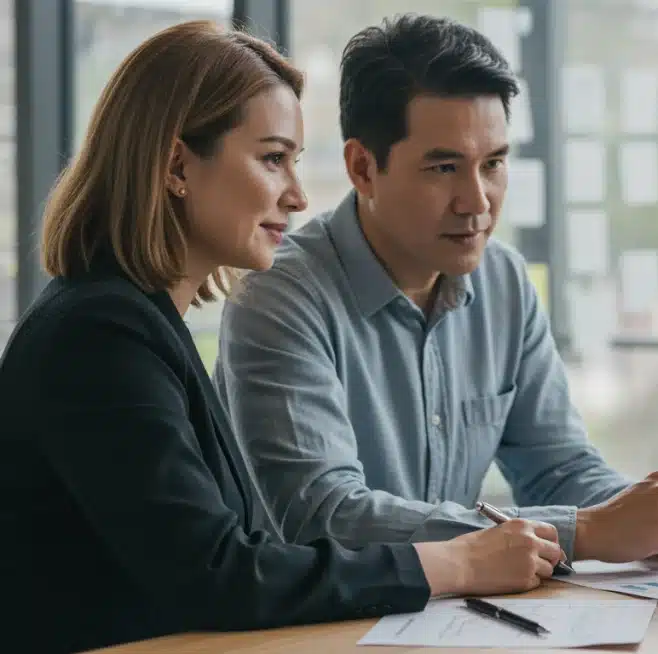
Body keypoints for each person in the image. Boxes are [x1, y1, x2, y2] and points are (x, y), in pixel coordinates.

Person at [0, 21, 567, 654]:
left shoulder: (140, 321)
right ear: (177, 165)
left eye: (295, 162)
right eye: (273, 159)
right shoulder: (100, 337)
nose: (297, 196)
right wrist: (459, 562)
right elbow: (221, 572)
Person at [212, 13, 658, 565]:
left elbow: (558, 470)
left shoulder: (503, 281)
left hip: (453, 617)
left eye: (494, 164)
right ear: (362, 168)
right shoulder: (278, 297)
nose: (477, 201)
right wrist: (587, 531)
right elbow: (326, 517)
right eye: (444, 168)